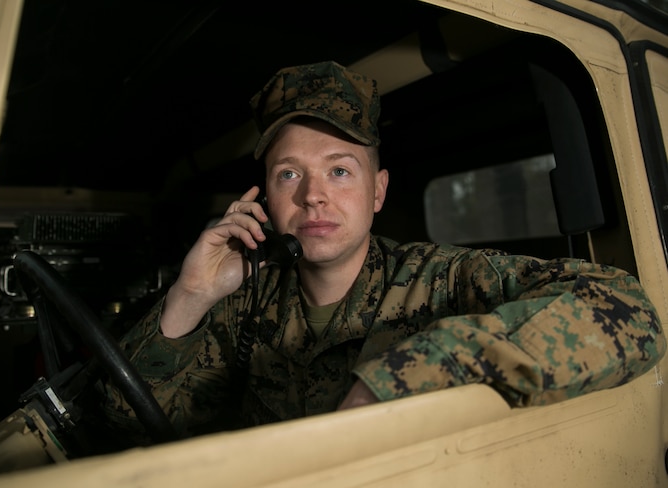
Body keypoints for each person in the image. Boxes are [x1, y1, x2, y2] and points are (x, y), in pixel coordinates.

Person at [102, 60, 666, 442]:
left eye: (340, 171)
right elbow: (122, 425)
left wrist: (396, 382)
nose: (313, 194)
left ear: (378, 191)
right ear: (265, 200)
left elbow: (627, 311)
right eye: (289, 173)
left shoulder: (443, 281)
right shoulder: (246, 303)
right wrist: (190, 295)